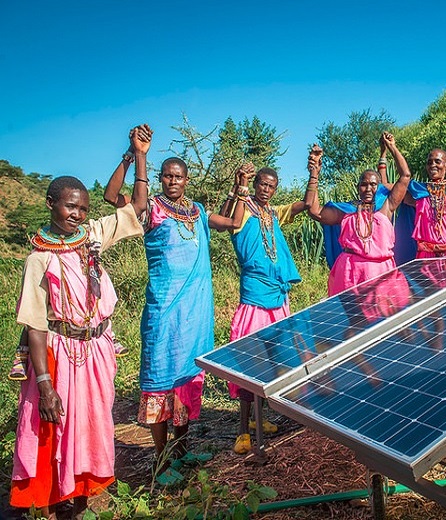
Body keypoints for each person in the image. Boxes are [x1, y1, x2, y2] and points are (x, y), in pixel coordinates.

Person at [10, 128, 148, 519]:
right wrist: (44, 383)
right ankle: (54, 503)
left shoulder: (93, 236)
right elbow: (36, 324)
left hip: (96, 348)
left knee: (91, 423)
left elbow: (137, 205)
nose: (78, 215)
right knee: (54, 426)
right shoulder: (39, 258)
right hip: (59, 352)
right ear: (51, 204)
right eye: (70, 207)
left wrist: (138, 155)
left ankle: (84, 498)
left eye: (84, 209)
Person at [104, 126, 246, 483]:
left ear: (186, 180)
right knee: (160, 377)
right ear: (160, 178)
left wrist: (240, 188)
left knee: (185, 378)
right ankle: (160, 458)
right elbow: (110, 196)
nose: (172, 181)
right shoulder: (150, 209)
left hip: (195, 314)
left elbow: (233, 222)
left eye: (177, 176)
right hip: (165, 311)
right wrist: (135, 154)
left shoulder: (197, 211)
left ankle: (181, 451)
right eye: (166, 176)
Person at [221, 153, 319, 455]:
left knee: (275, 358)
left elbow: (305, 204)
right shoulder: (243, 210)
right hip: (254, 297)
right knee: (251, 361)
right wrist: (240, 186)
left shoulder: (273, 213)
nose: (266, 189)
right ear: (256, 184)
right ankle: (243, 432)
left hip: (278, 297)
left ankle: (261, 421)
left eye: (271, 185)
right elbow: (227, 221)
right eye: (263, 184)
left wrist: (313, 172)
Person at [309, 132, 412, 296]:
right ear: (358, 187)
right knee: (354, 320)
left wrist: (391, 147)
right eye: (364, 184)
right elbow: (315, 211)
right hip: (350, 274)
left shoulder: (386, 208)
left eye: (373, 184)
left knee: (385, 319)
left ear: (379, 187)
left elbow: (405, 176)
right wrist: (314, 173)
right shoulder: (346, 212)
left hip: (382, 273)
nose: (369, 188)